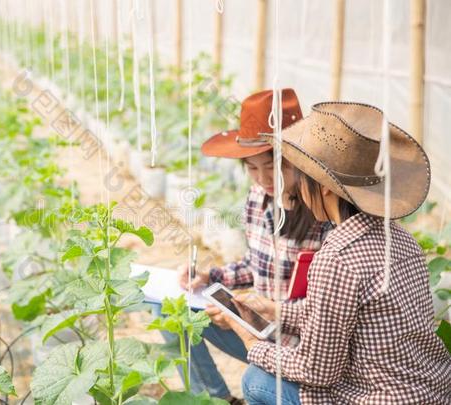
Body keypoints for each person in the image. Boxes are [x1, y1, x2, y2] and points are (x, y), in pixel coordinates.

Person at [222, 101, 451, 404]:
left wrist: (251, 341)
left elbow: (317, 371)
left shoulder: (337, 258)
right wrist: (272, 309)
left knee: (256, 380)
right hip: (430, 391)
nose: (299, 190)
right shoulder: (400, 237)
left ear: (325, 187)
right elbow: (340, 315)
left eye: (302, 179)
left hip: (378, 398)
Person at [153, 89, 331, 403]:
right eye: (252, 167)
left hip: (300, 346)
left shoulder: (324, 212)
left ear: (297, 159)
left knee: (256, 380)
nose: (264, 178)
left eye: (274, 165)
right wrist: (211, 278)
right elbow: (255, 265)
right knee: (169, 309)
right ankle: (217, 398)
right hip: (260, 324)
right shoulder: (257, 198)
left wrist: (246, 319)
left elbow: (327, 312)